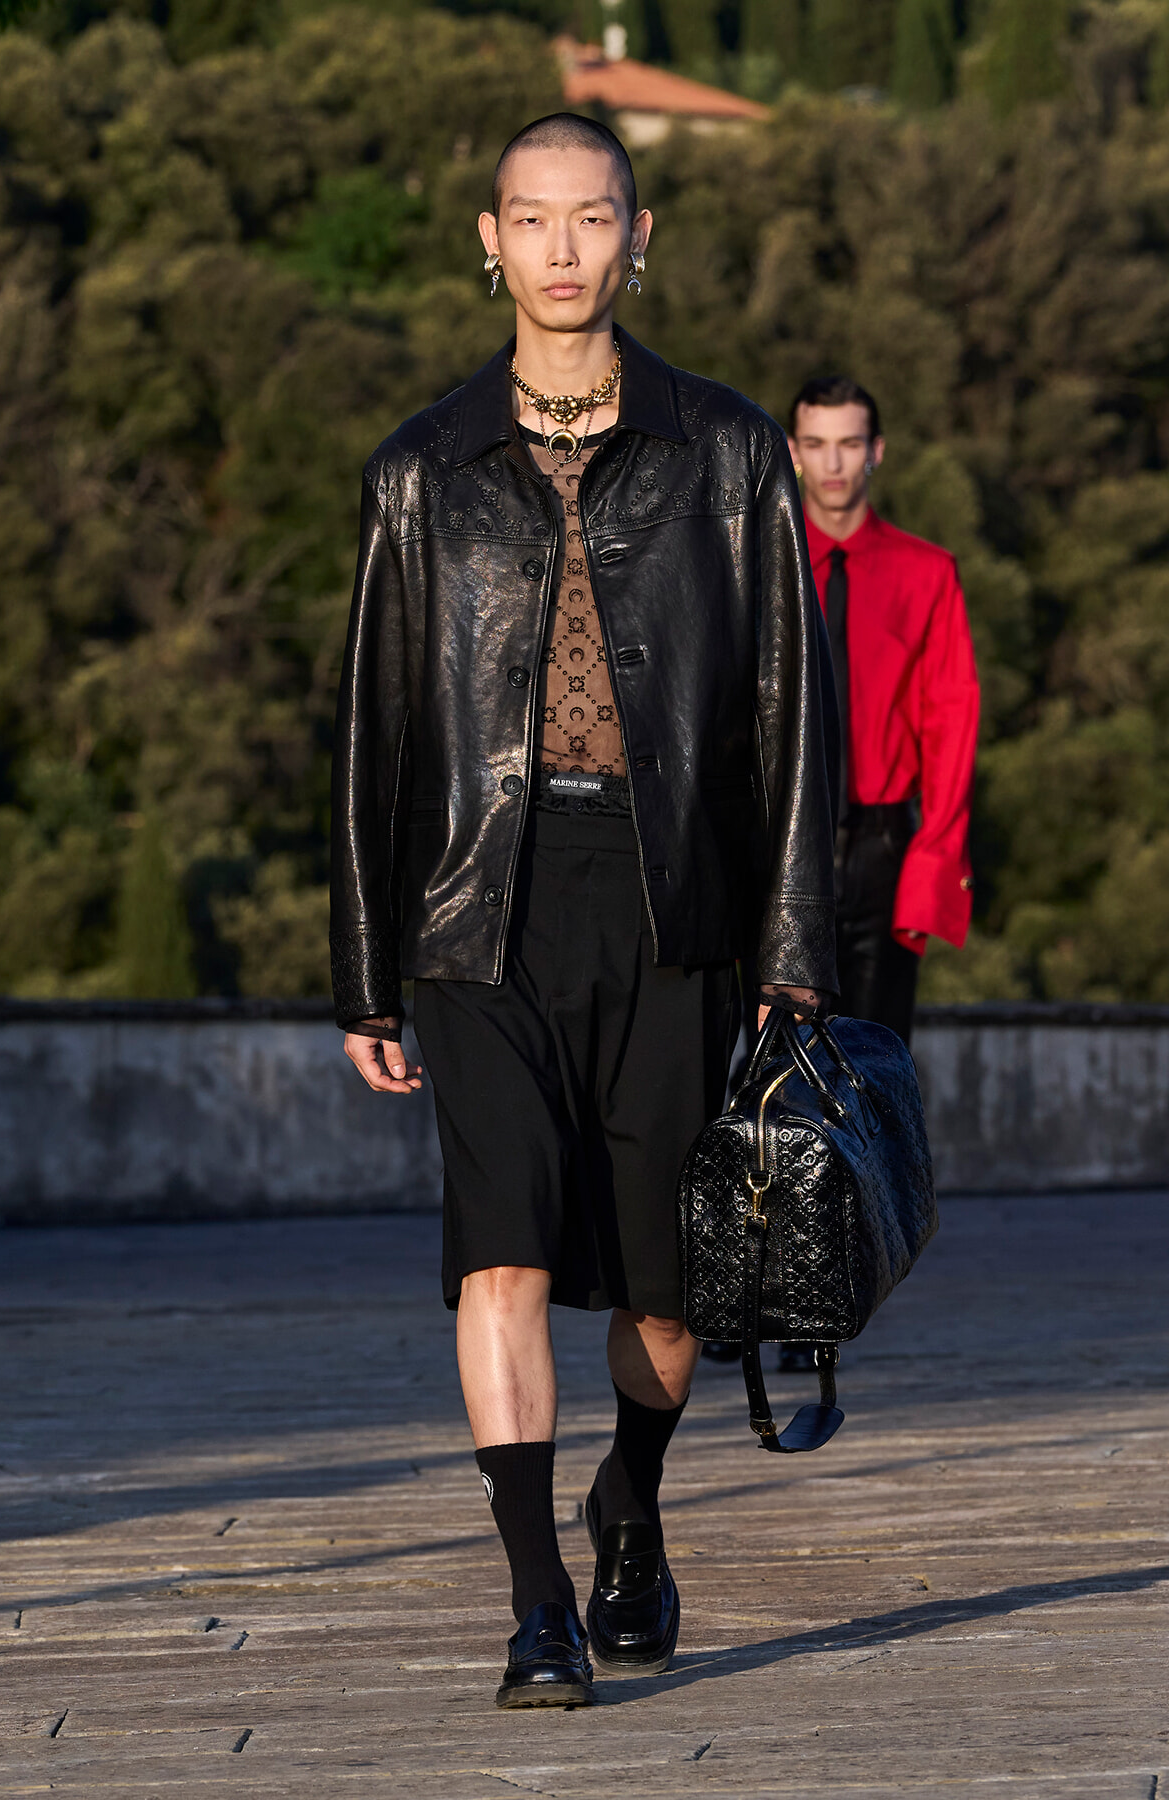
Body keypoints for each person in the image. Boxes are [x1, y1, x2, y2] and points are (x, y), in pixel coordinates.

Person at [330, 113, 838, 1710]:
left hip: (673, 899)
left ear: (639, 235)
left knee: (669, 1286)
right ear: (487, 240)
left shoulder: (734, 452)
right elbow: (375, 734)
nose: (560, 248)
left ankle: (631, 1500)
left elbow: (790, 721)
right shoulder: (418, 470)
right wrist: (365, 975)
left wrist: (793, 950)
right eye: (530, 219)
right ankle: (539, 1596)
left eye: (591, 218)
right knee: (499, 1259)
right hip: (477, 908)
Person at [764, 376, 979, 1377]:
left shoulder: (925, 573)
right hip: (779, 843)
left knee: (866, 1074)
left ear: (878, 452)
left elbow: (951, 721)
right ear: (794, 451)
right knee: (768, 1071)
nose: (835, 463)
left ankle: (844, 1280)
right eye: (817, 443)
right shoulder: (761, 566)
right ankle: (763, 1273)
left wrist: (931, 868)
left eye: (852, 444)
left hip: (880, 844)